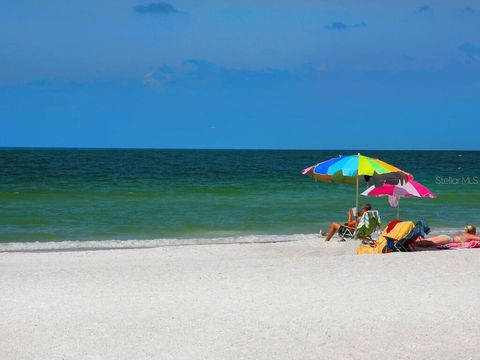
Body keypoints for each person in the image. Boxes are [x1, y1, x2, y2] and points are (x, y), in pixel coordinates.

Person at [413, 225, 480, 247]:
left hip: (445, 236)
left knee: (426, 241)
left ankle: (411, 242)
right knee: (430, 243)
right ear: (473, 231)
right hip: (448, 240)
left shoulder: (464, 234)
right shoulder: (470, 236)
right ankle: (413, 244)